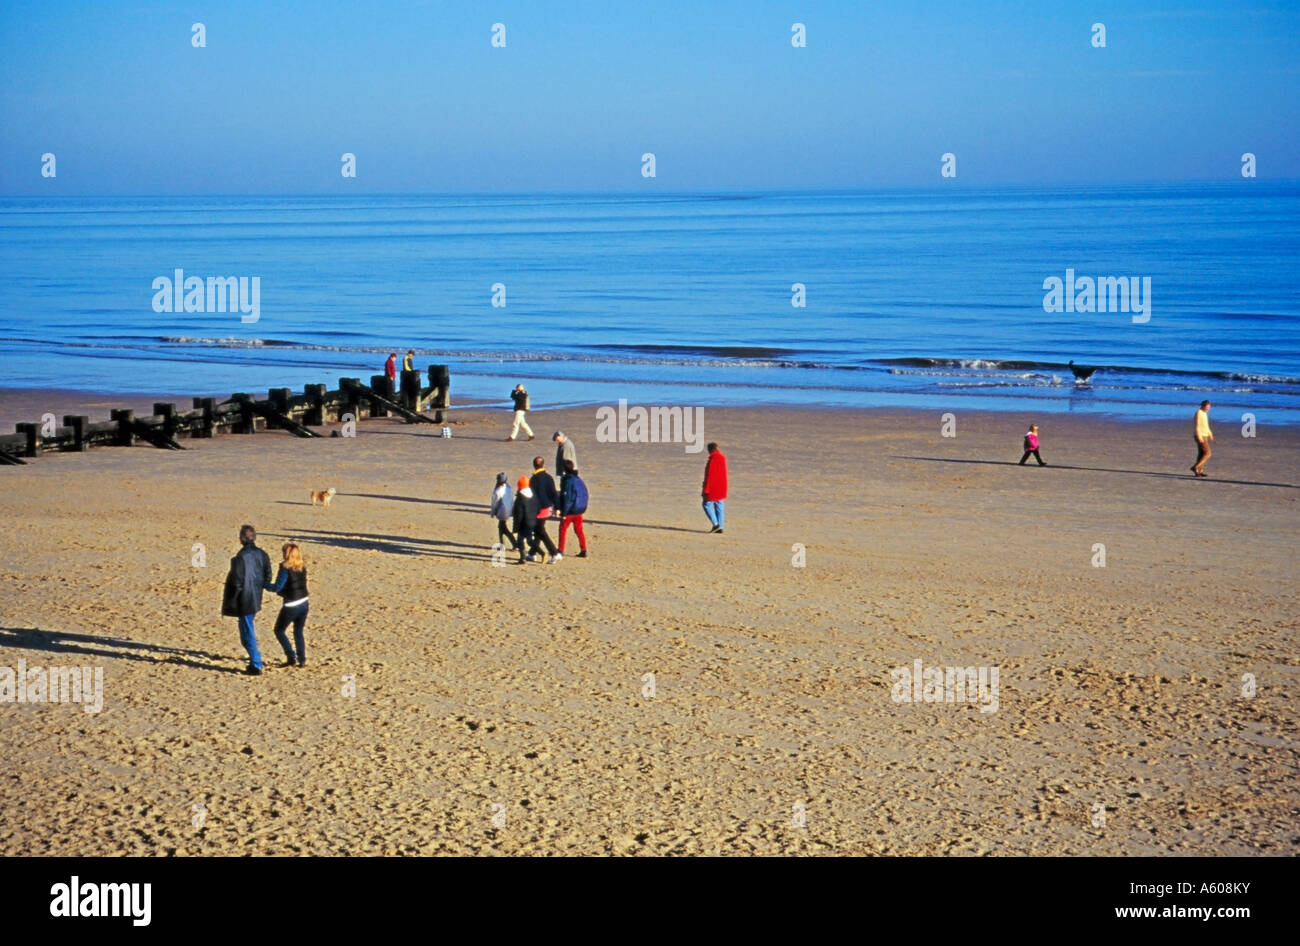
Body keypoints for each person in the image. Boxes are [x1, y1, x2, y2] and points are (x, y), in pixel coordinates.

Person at [221, 524, 275, 675]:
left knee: (247, 633)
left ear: (242, 539)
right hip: (255, 597)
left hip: (245, 599)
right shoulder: (262, 554)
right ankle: (255, 661)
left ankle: (256, 664)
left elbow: (237, 582)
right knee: (247, 629)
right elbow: (268, 576)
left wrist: (232, 600)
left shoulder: (240, 558)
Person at [268, 542, 310, 668]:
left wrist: (263, 584)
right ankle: (302, 659)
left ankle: (291, 657)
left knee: (279, 630)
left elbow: (277, 587)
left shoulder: (285, 567)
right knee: (298, 630)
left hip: (292, 604)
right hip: (304, 602)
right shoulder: (302, 566)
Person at [528, 456, 561, 563]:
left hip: (538, 509)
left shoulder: (533, 479)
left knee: (540, 531)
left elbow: (531, 495)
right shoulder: (548, 477)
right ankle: (532, 554)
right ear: (543, 465)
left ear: (534, 466)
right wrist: (557, 507)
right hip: (547, 508)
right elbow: (553, 493)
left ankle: (554, 553)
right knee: (538, 530)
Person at [558, 459, 589, 559]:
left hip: (570, 510)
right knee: (579, 530)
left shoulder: (567, 481)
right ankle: (584, 549)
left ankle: (560, 550)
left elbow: (567, 498)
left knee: (562, 529)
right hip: (579, 509)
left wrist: (564, 513)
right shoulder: (578, 479)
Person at [701, 442, 728, 534]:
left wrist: (706, 489)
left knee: (706, 504)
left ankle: (716, 524)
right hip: (722, 486)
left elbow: (710, 476)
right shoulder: (722, 458)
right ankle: (720, 526)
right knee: (720, 505)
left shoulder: (713, 460)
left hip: (713, 487)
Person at [511, 475, 539, 563]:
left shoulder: (520, 498)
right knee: (529, 540)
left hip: (523, 524)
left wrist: (515, 527)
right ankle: (540, 552)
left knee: (521, 541)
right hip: (532, 521)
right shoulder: (533, 494)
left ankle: (522, 558)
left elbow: (518, 515)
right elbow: (537, 507)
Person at [490, 472, 518, 553]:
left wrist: (492, 512)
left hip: (502, 511)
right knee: (502, 527)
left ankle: (511, 544)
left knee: (503, 528)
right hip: (509, 510)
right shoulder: (509, 488)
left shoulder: (497, 491)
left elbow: (494, 503)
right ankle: (505, 544)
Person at [1191, 400, 1213, 477]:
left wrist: (1210, 433)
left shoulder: (1205, 414)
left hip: (1205, 435)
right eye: (1207, 407)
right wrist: (1199, 436)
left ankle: (1199, 471)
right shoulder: (1199, 413)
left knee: (1201, 454)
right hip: (1200, 436)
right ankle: (1195, 467)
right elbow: (1197, 425)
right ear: (1203, 406)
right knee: (1208, 453)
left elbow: (1206, 425)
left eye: (1209, 407)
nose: (1208, 409)